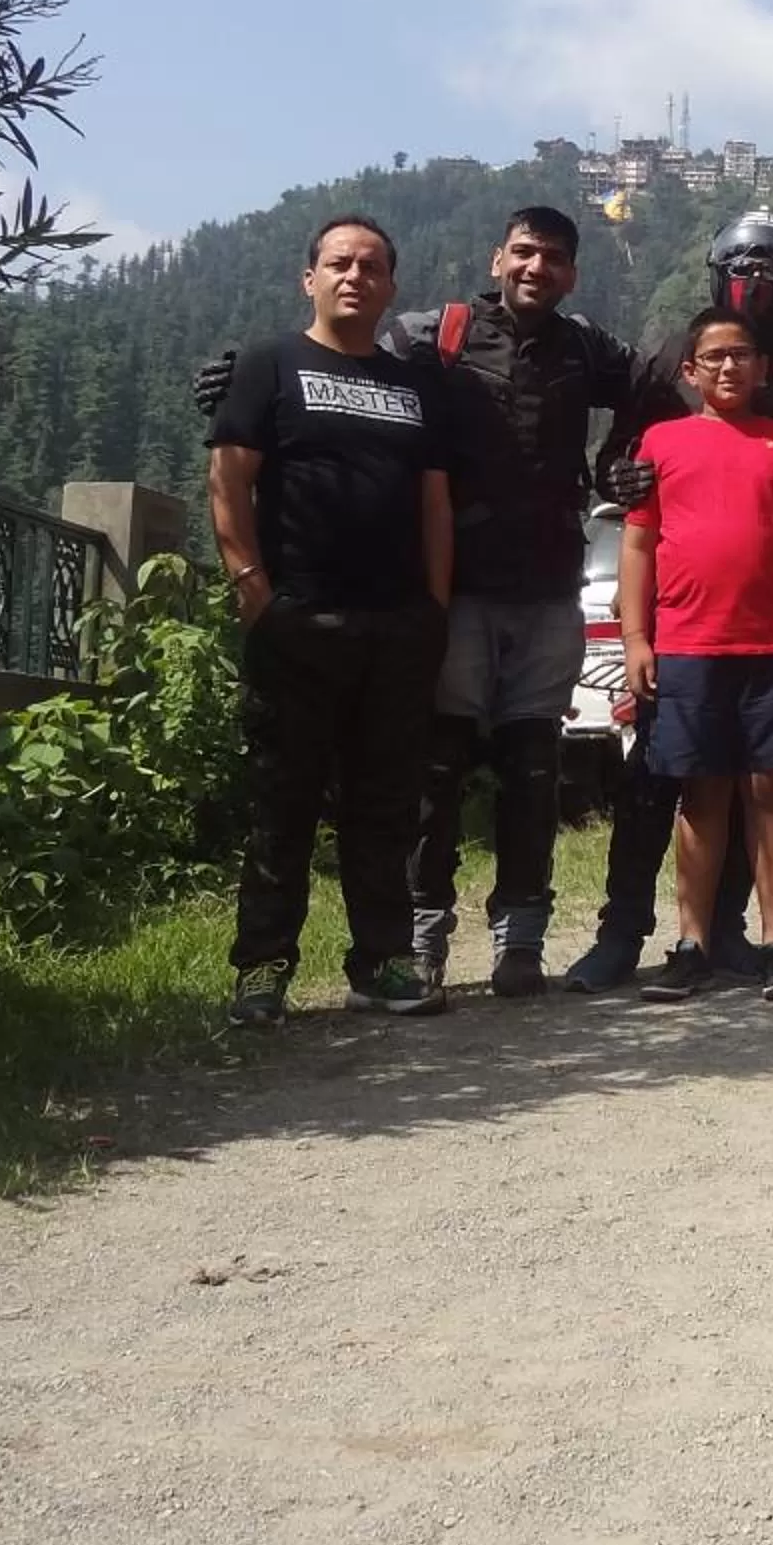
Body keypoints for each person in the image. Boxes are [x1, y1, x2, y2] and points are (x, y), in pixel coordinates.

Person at [191, 203, 635, 999]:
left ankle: (473, 949)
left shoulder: (580, 350)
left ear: (572, 272)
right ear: (498, 257)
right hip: (386, 604)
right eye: (525, 252)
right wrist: (255, 591)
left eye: (556, 258)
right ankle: (318, 961)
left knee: (473, 780)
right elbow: (242, 462)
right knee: (377, 784)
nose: (538, 268)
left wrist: (625, 470)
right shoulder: (430, 339)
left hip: (493, 597)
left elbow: (665, 381)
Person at [574, 209, 773, 993]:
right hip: (686, 630)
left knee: (763, 785)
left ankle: (746, 936)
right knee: (666, 790)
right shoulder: (673, 353)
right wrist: (619, 489)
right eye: (744, 270)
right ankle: (631, 931)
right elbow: (618, 469)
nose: (756, 286)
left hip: (769, 627)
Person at [205, 215, 455, 1027]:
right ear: (307, 277)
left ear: (390, 287)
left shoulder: (415, 385)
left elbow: (434, 503)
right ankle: (262, 969)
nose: (355, 276)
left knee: (384, 809)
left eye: (372, 266)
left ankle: (380, 963)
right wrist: (252, 589)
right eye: (339, 263)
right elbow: (229, 480)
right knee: (283, 802)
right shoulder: (269, 363)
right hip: (299, 619)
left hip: (396, 626)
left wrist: (434, 609)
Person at [617, 310, 773, 1007]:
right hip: (688, 646)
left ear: (762, 368)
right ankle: (692, 946)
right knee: (700, 795)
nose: (728, 367)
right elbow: (637, 548)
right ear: (690, 372)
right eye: (712, 357)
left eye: (741, 355)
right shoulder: (660, 443)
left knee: (772, 794)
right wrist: (635, 639)